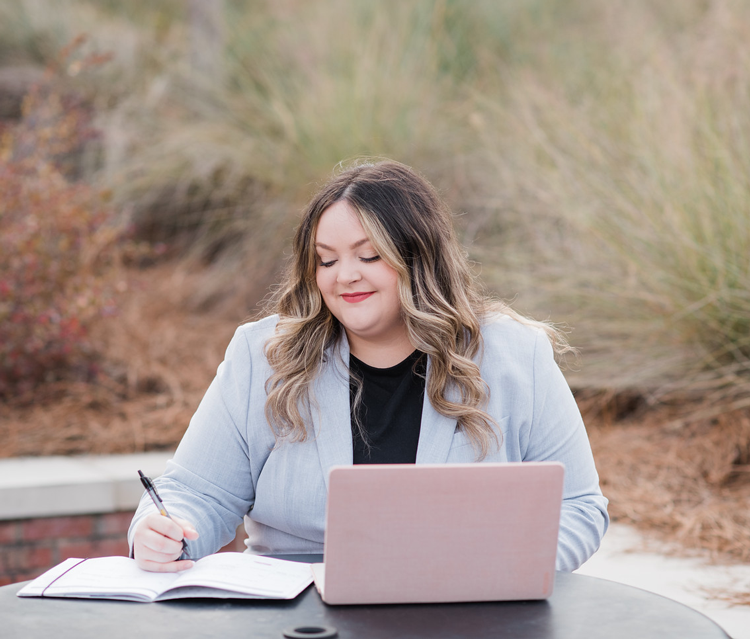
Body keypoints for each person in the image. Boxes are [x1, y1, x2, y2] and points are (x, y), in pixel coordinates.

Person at [128, 159, 608, 573]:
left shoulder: (514, 354)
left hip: (465, 614)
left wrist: (505, 571)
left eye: (369, 255)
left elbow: (578, 507)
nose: (345, 276)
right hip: (297, 617)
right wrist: (164, 532)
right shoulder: (262, 358)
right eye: (327, 260)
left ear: (418, 256)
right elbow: (197, 493)